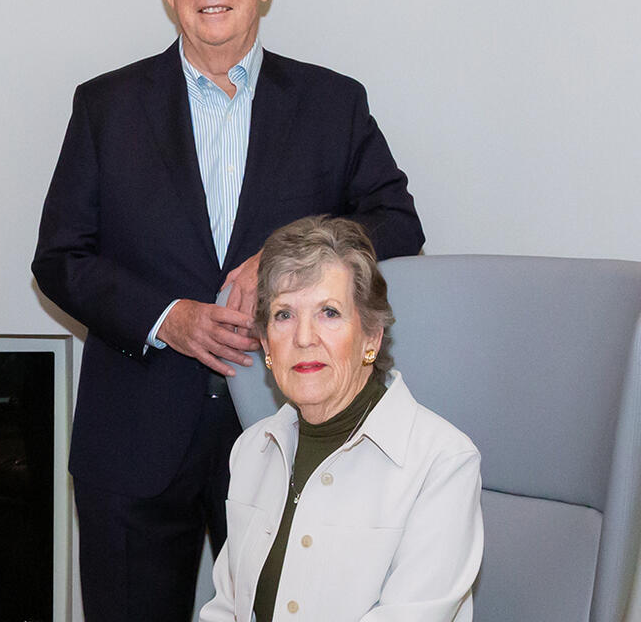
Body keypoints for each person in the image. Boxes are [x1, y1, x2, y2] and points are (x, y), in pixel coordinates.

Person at [32, 0, 425, 621]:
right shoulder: (104, 107)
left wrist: (285, 257)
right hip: (133, 446)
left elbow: (397, 222)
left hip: (292, 440)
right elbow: (59, 259)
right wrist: (166, 318)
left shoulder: (331, 103)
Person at [201, 215, 482, 621]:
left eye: (329, 312)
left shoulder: (442, 463)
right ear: (265, 343)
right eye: (284, 315)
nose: (303, 337)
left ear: (371, 336)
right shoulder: (252, 449)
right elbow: (226, 610)